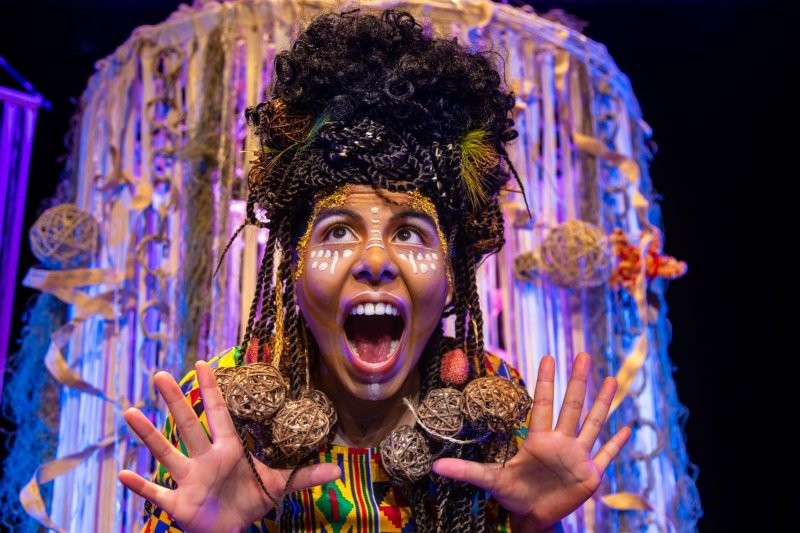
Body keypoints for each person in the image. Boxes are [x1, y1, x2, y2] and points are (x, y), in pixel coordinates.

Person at [118, 8, 631, 532]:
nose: (376, 262)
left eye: (409, 234)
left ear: (451, 274)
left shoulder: (495, 412)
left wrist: (533, 526)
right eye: (339, 231)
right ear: (294, 265)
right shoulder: (219, 413)